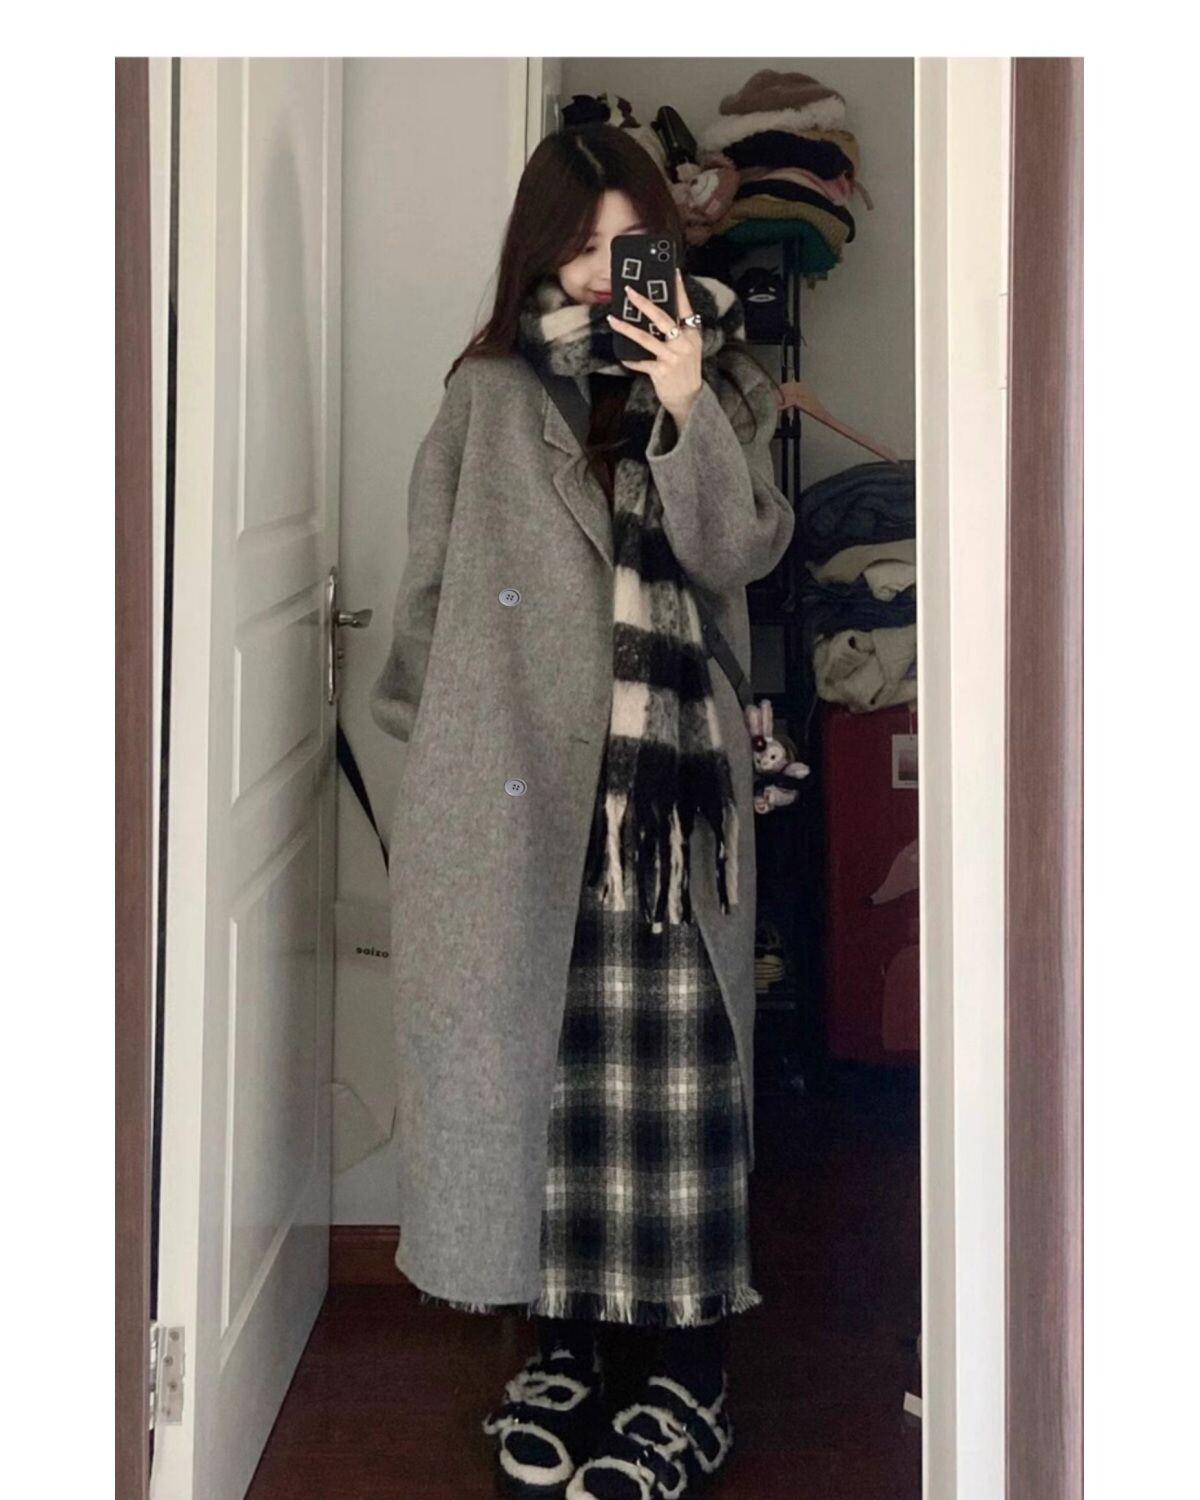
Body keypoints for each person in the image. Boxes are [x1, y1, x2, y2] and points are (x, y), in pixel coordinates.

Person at [368, 123, 795, 1499]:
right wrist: (436, 757)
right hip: (517, 793)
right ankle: (563, 1353)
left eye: (629, 243)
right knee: (535, 1085)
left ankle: (684, 1377)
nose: (606, 272)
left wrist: (684, 403)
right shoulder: (490, 395)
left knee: (669, 1088)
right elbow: (428, 597)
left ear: (668, 237)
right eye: (579, 244)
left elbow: (742, 550)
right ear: (539, 251)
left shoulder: (723, 376)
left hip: (668, 805)